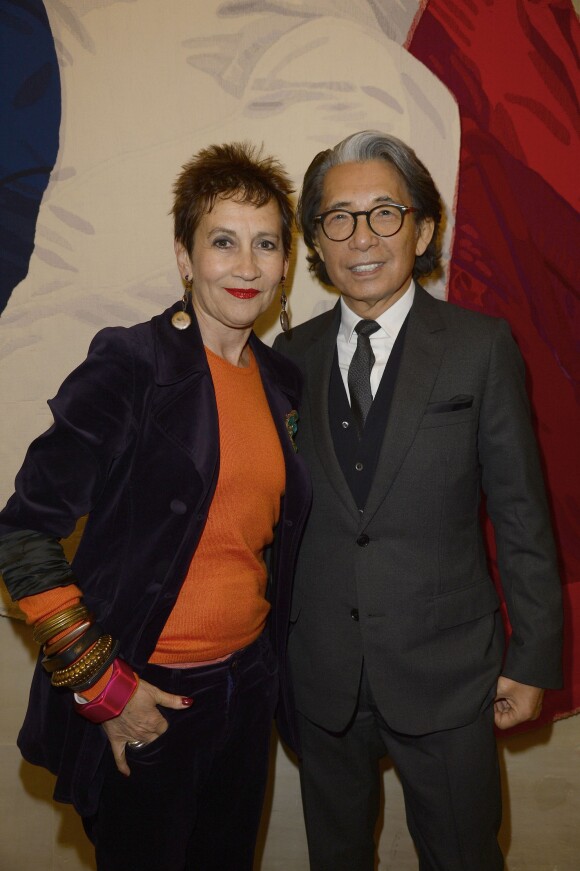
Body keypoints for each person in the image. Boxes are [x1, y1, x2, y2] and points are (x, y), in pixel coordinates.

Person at [0, 142, 311, 871]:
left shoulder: (283, 382)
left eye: (266, 243)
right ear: (183, 256)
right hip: (152, 693)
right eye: (222, 241)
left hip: (249, 687)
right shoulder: (131, 364)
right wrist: (105, 685)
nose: (245, 265)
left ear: (286, 262)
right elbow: (22, 535)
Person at [273, 130, 563, 870]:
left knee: (464, 855)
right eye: (338, 217)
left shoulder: (480, 346)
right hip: (323, 672)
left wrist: (532, 657)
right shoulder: (284, 362)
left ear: (424, 227)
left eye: (384, 213)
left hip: (449, 671)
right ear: (316, 238)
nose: (361, 236)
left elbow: (522, 512)